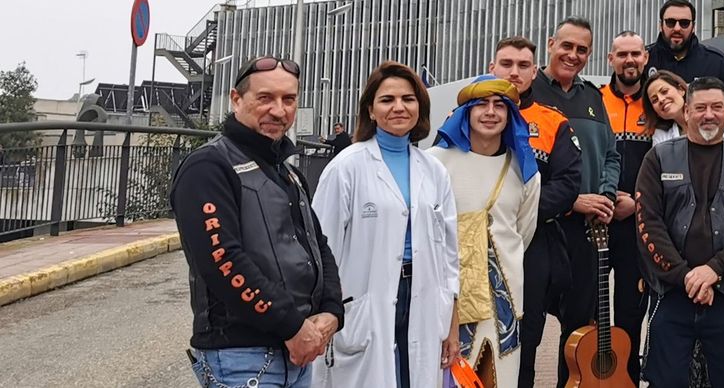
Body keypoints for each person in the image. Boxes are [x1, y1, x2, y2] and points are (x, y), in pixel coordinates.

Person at [172, 56, 342, 388]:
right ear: (236, 99)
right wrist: (292, 326)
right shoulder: (207, 167)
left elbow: (317, 245)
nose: (279, 111)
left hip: (299, 355)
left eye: (288, 99)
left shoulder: (288, 172)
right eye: (265, 98)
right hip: (242, 358)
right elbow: (223, 261)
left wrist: (333, 310)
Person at [313, 61, 459, 388]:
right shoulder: (346, 168)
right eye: (387, 100)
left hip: (423, 296)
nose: (398, 107)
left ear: (420, 107)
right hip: (364, 299)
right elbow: (321, 250)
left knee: (415, 378)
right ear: (371, 109)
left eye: (408, 99)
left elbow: (450, 255)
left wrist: (451, 322)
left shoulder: (434, 171)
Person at [635, 78, 724, 388]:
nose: (709, 115)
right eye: (701, 108)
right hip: (671, 295)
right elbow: (647, 225)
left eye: (717, 108)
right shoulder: (658, 158)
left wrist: (714, 270)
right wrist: (686, 277)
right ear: (687, 110)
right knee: (665, 380)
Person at [519, 17, 621, 387]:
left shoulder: (593, 96)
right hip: (537, 230)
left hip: (586, 233)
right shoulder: (528, 94)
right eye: (567, 46)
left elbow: (612, 154)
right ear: (550, 44)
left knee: (578, 333)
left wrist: (606, 195)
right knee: (527, 329)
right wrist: (570, 200)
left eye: (582, 49)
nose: (573, 55)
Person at [428, 76, 542, 388]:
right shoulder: (435, 163)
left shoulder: (525, 173)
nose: (490, 112)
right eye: (481, 104)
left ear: (510, 116)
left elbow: (522, 231)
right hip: (447, 299)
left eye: (499, 106)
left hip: (503, 300)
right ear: (466, 112)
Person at [490, 36, 583, 388]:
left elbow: (567, 183)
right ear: (492, 68)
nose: (514, 72)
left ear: (534, 72)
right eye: (507, 64)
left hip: (534, 243)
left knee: (525, 343)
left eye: (523, 66)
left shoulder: (552, 122)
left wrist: (518, 215)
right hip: (477, 245)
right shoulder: (465, 117)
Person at [602, 31, 654, 383]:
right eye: (622, 55)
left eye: (636, 53)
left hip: (638, 224)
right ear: (611, 59)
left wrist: (637, 204)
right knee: (585, 313)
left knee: (629, 317)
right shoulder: (594, 100)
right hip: (596, 221)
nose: (630, 60)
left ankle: (628, 380)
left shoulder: (655, 103)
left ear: (645, 58)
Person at [644, 68, 724, 146]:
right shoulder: (661, 134)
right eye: (654, 100)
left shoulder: (717, 116)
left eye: (664, 91)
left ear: (681, 90)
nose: (661, 99)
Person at [649, 0, 724, 84]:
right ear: (661, 25)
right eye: (670, 22)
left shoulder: (716, 63)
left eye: (684, 23)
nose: (677, 28)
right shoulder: (645, 60)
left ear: (693, 27)